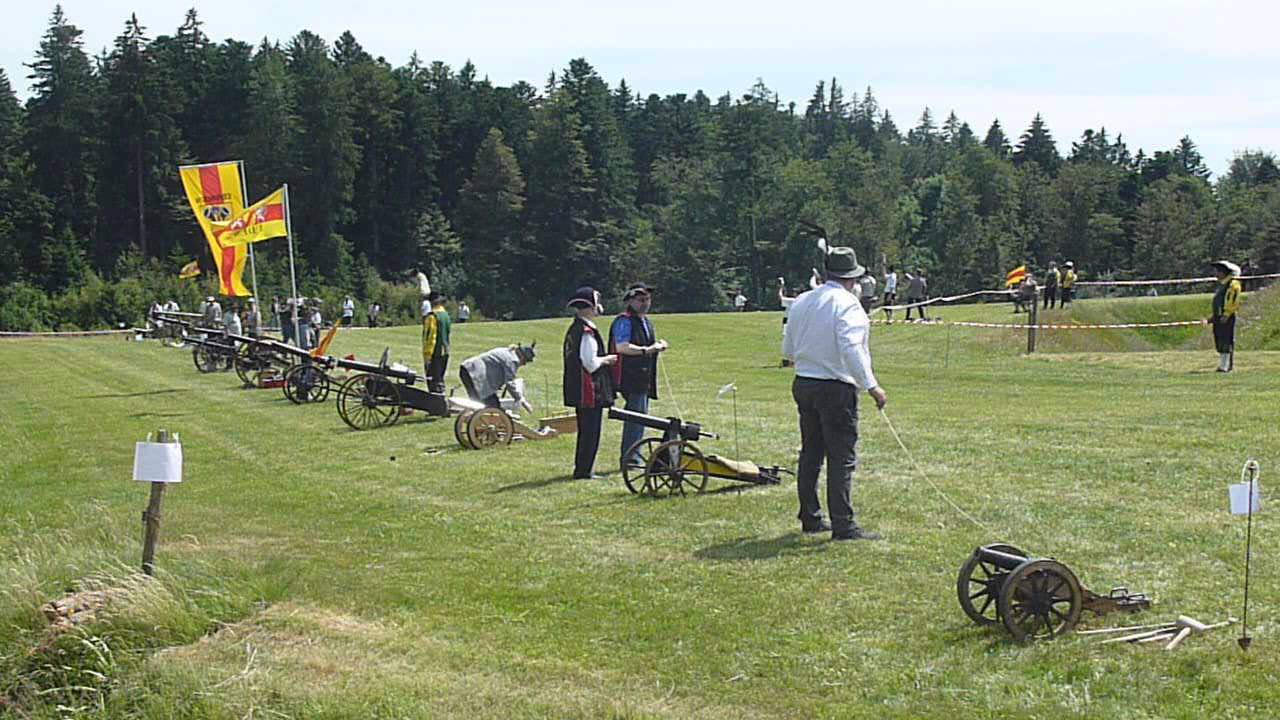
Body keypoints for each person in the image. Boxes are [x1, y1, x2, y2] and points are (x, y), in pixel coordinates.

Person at [782, 246, 888, 542]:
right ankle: (843, 524)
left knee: (811, 454)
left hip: (804, 382)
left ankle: (810, 516)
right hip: (835, 387)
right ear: (852, 279)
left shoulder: (802, 300)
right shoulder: (848, 305)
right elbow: (851, 348)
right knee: (841, 458)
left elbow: (788, 348)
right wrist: (872, 386)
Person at [608, 283, 668, 467]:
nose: (645, 303)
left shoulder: (645, 321)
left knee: (640, 417)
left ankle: (633, 456)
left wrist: (658, 346)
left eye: (647, 299)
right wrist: (648, 350)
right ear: (630, 301)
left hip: (644, 377)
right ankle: (630, 459)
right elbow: (622, 347)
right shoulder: (624, 321)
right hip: (630, 376)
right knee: (635, 418)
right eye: (641, 300)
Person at [563, 286, 618, 479]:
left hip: (580, 388)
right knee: (590, 431)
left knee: (586, 430)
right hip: (588, 389)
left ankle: (583, 468)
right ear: (589, 307)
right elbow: (590, 363)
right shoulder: (586, 331)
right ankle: (584, 470)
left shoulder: (576, 328)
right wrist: (607, 359)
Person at [459, 344, 535, 410]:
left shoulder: (506, 351)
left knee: (480, 404)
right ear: (522, 357)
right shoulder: (512, 360)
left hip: (467, 369)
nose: (524, 364)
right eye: (525, 361)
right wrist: (521, 399)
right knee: (491, 406)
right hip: (475, 375)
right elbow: (509, 383)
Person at [1210, 260, 1243, 372]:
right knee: (1220, 339)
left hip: (1226, 317)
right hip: (1219, 316)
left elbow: (1233, 301)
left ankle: (1226, 366)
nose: (1215, 274)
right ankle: (1222, 365)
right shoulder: (1222, 285)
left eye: (1217, 271)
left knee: (1226, 340)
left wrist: (1226, 314)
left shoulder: (1233, 284)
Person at [421, 291, 452, 394]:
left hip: (435, 352)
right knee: (440, 379)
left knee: (433, 382)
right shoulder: (446, 315)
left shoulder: (432, 316)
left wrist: (427, 356)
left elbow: (430, 337)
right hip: (445, 351)